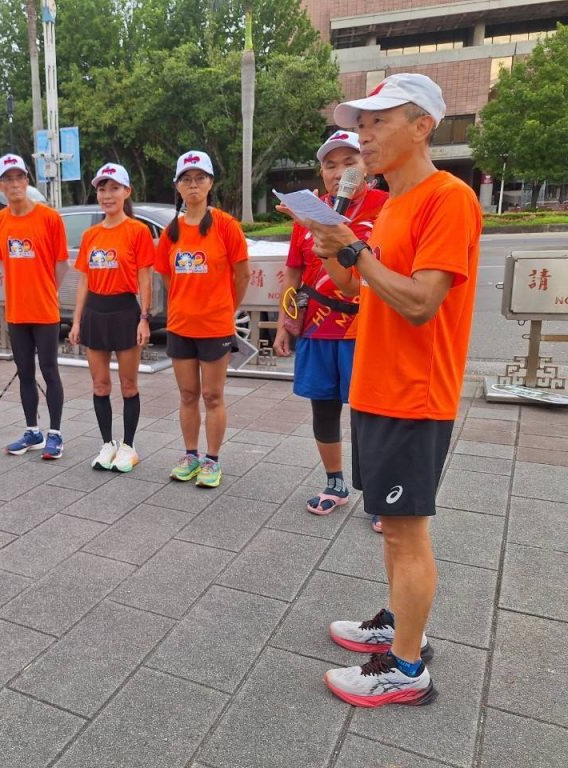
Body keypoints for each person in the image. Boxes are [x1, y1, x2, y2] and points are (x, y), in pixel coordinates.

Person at [290, 74, 481, 707]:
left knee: (404, 530)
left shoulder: (447, 198)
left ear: (423, 126)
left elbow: (423, 302)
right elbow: (360, 289)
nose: (364, 136)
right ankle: (401, 626)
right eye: (361, 124)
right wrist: (334, 250)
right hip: (377, 384)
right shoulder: (393, 203)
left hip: (414, 390)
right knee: (394, 526)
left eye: (379, 122)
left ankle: (406, 669)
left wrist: (354, 252)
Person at [272, 132, 388, 531]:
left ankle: (380, 494)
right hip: (317, 327)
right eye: (330, 165)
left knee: (370, 414)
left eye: (349, 162)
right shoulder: (308, 212)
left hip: (366, 328)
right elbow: (294, 271)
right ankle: (334, 484)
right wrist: (286, 321)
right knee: (323, 408)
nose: (339, 173)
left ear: (367, 165)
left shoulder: (385, 206)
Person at [154, 150, 250, 488]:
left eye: (200, 178)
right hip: (181, 326)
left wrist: (225, 308)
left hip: (215, 327)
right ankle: (190, 455)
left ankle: (212, 460)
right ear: (177, 186)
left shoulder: (226, 226)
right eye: (186, 179)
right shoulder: (171, 232)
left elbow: (242, 275)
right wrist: (185, 303)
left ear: (210, 183)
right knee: (187, 394)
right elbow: (167, 277)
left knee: (212, 395)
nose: (193, 184)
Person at [68, 163, 154, 473]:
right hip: (95, 312)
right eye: (102, 189)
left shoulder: (138, 231)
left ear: (126, 191)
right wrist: (77, 321)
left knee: (128, 385)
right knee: (100, 384)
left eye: (114, 188)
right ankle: (108, 444)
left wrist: (144, 318)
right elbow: (84, 280)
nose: (107, 195)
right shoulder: (91, 235)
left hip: (125, 312)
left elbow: (145, 278)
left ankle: (129, 446)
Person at [0, 153, 69, 459]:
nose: (14, 184)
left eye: (19, 177)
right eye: (7, 179)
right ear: (0, 185)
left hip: (45, 310)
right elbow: (2, 262)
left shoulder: (49, 218)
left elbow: (62, 264)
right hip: (16, 311)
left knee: (49, 370)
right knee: (24, 372)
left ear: (27, 180)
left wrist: (46, 290)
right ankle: (32, 431)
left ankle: (55, 434)